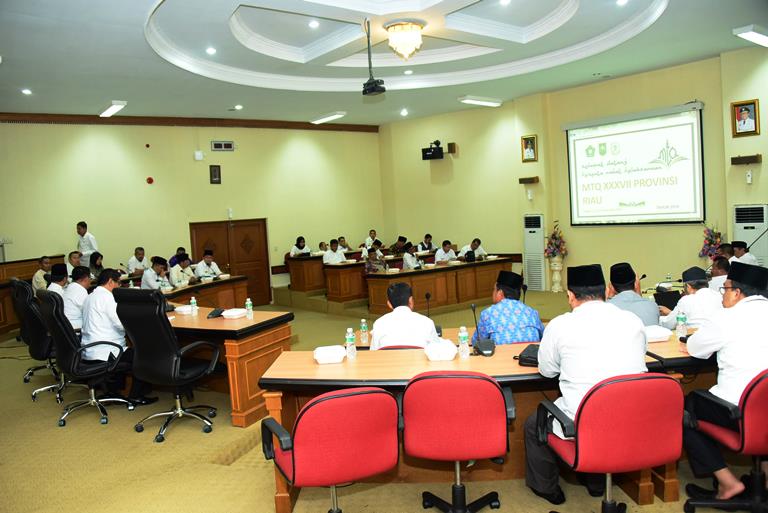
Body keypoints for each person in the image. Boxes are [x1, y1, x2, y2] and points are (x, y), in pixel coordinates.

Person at [524, 264, 647, 505]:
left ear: (570, 295)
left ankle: (547, 489)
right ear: (606, 292)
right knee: (602, 412)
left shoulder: (559, 325)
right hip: (632, 419)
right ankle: (596, 482)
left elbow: (547, 370)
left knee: (533, 423)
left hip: (583, 424)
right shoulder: (632, 320)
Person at [683, 262, 768, 501]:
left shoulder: (727, 317)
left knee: (685, 409)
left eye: (725, 289)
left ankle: (728, 482)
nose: (723, 295)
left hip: (738, 412)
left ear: (737, 293)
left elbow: (696, 349)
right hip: (764, 412)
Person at [81, 269, 156, 404]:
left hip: (90, 349)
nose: (120, 286)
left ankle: (115, 389)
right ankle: (135, 395)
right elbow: (121, 324)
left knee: (134, 351)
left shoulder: (90, 296)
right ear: (111, 282)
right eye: (119, 283)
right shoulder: (107, 297)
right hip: (106, 350)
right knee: (145, 355)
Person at [474, 271, 544, 344]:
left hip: (502, 355)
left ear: (500, 293)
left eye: (494, 289)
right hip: (530, 354)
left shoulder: (488, 314)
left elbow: (477, 342)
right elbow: (543, 336)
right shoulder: (532, 312)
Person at [371, 282, 440, 350]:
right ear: (411, 301)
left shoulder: (379, 323)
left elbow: (373, 353)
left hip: (390, 361)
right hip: (419, 361)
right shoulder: (427, 322)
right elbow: (436, 350)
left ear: (389, 304)